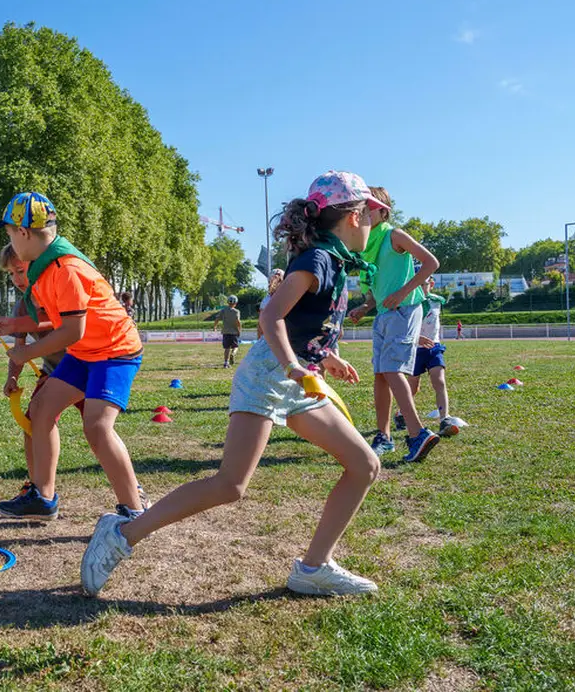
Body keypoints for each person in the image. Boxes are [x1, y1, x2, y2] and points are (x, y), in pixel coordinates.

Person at [81, 171, 384, 598]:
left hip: (299, 379)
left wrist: (325, 357)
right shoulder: (317, 261)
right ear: (351, 217)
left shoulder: (333, 261)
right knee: (230, 485)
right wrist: (294, 366)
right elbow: (270, 317)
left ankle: (313, 568)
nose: (374, 221)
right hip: (269, 376)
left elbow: (302, 325)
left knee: (364, 464)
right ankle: (122, 534)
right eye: (370, 213)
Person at [0, 192, 147, 521]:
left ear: (23, 233)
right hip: (85, 352)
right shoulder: (41, 267)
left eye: (8, 234)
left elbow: (72, 330)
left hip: (115, 351)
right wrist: (18, 328)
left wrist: (26, 352)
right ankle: (43, 498)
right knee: (41, 411)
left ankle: (133, 510)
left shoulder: (65, 269)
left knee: (98, 427)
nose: (10, 242)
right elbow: (57, 322)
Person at [0, 242, 87, 520]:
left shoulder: (56, 292)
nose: (16, 280)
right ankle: (38, 490)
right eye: (11, 273)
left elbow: (63, 325)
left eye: (20, 270)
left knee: (97, 430)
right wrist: (12, 375)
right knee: (33, 423)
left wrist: (21, 326)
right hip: (52, 370)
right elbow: (19, 346)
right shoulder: (21, 306)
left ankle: (133, 490)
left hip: (84, 366)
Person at [347, 188, 440, 461]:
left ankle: (417, 433)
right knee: (380, 374)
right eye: (361, 209)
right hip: (384, 315)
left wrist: (403, 291)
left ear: (383, 211)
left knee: (391, 369)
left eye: (369, 208)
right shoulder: (366, 245)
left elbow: (431, 263)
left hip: (404, 310)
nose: (363, 213)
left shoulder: (394, 235)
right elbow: (377, 290)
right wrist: (365, 307)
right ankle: (384, 437)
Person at [394, 277, 460, 437]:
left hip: (434, 348)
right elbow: (402, 330)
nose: (422, 288)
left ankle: (445, 419)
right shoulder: (408, 303)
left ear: (432, 284)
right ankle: (400, 414)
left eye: (425, 284)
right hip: (415, 349)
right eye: (418, 285)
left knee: (439, 381)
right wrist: (418, 339)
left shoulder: (437, 301)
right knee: (413, 388)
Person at [214, 295, 243, 368]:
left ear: (227, 302)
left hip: (225, 332)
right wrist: (239, 330)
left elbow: (217, 318)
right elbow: (238, 321)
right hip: (234, 332)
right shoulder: (236, 311)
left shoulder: (223, 310)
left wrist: (215, 326)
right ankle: (233, 354)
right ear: (235, 303)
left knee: (227, 348)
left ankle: (226, 363)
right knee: (235, 347)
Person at [256, 268, 286, 339]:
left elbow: (260, 324)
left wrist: (259, 339)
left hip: (271, 338)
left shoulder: (266, 300)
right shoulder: (289, 296)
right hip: (285, 337)